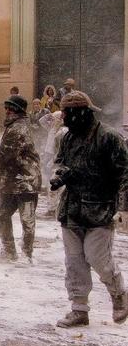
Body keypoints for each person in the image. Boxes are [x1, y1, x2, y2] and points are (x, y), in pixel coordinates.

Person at [50, 90, 128, 327]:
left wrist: (124, 208)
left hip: (100, 210)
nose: (64, 118)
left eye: (68, 113)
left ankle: (120, 296)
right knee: (74, 262)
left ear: (82, 113)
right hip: (71, 210)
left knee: (98, 259)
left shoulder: (109, 137)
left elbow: (125, 174)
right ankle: (79, 309)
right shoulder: (68, 138)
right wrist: (60, 175)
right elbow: (61, 162)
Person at [0, 95, 41, 262]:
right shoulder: (14, 126)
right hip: (11, 180)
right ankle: (9, 250)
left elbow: (5, 153)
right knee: (2, 213)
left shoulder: (18, 128)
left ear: (17, 111)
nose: (6, 111)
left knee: (27, 219)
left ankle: (26, 254)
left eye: (9, 108)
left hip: (25, 180)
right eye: (6, 108)